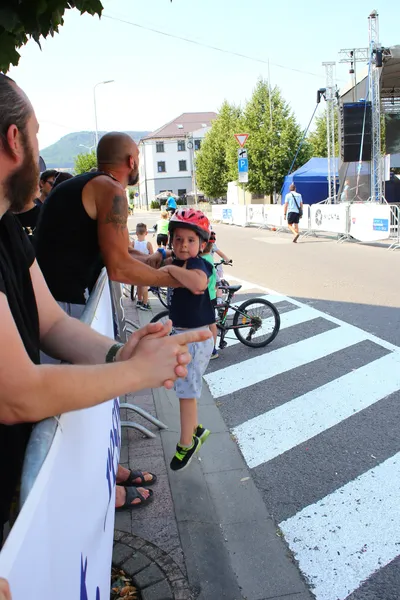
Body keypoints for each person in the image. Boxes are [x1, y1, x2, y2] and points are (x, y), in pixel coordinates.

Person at [0, 73, 211, 534]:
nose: (40, 155)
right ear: (15, 141)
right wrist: (137, 369)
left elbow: (49, 321)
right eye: (37, 137)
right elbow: (17, 396)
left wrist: (121, 353)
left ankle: (101, 478)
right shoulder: (111, 191)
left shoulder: (8, 227)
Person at [35, 132, 182, 315]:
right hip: (66, 302)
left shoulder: (89, 183)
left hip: (51, 296)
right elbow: (119, 267)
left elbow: (118, 250)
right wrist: (178, 280)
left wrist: (156, 260)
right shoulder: (111, 189)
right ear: (131, 162)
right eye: (138, 158)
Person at [158, 208, 215, 471]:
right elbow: (160, 259)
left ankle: (186, 444)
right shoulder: (180, 259)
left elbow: (199, 284)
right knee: (187, 388)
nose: (183, 245)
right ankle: (197, 430)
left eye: (191, 240)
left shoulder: (197, 264)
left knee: (186, 393)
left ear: (202, 244)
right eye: (178, 239)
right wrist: (161, 258)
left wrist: (170, 267)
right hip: (187, 335)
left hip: (193, 337)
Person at [201, 237, 219, 359]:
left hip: (207, 295)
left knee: (211, 322)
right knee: (209, 322)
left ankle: (213, 349)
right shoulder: (209, 257)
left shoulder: (203, 260)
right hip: (210, 294)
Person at [132, 223, 153, 311]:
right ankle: (145, 303)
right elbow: (152, 255)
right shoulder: (148, 244)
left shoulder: (133, 243)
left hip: (136, 267)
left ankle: (139, 300)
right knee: (145, 285)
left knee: (139, 285)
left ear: (136, 233)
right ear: (146, 233)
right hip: (145, 267)